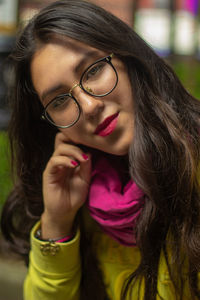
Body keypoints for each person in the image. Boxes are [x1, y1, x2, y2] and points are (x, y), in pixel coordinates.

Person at [1, 1, 200, 299]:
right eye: (60, 101)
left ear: (127, 58)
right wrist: (57, 222)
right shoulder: (80, 195)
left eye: (93, 70)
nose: (90, 106)